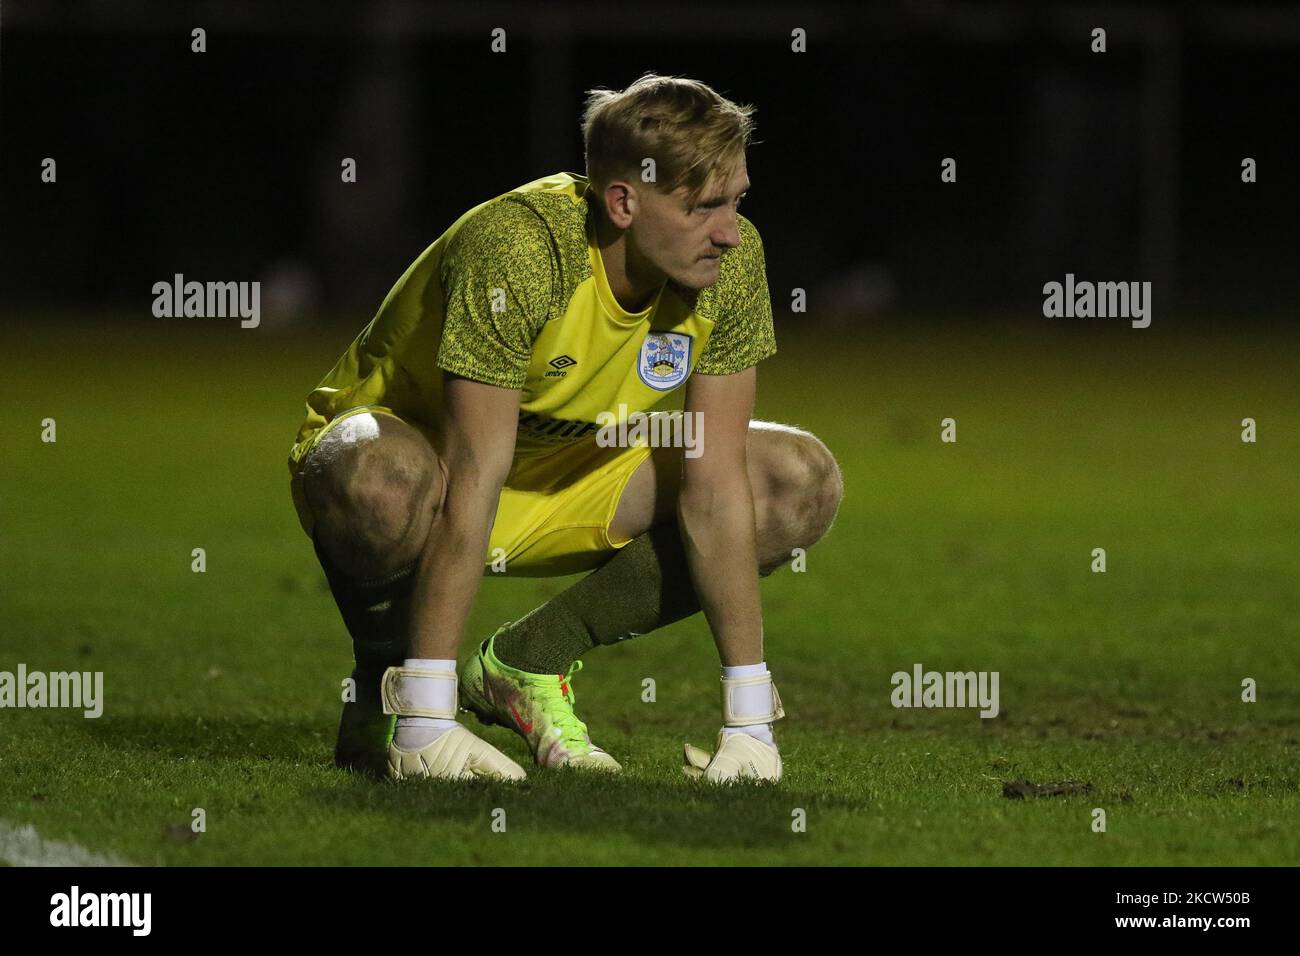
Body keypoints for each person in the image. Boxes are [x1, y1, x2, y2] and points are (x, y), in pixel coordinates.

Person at [286, 73, 843, 785]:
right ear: (622, 202)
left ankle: (530, 658)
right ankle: (387, 694)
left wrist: (750, 726)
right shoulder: (520, 248)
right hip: (428, 470)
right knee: (382, 480)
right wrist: (429, 717)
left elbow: (715, 482)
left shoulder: (728, 263)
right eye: (705, 207)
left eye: (736, 200)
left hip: (572, 472)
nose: (730, 231)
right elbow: (473, 469)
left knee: (795, 481)